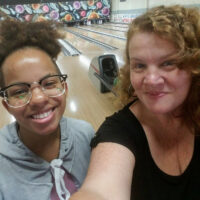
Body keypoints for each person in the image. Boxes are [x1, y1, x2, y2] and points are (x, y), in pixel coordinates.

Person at [70, 5, 200, 200]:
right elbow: (99, 191)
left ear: (194, 65)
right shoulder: (118, 132)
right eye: (139, 65)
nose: (151, 79)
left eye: (168, 63)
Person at [0, 19, 94, 200]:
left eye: (49, 83)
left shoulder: (86, 134)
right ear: (7, 105)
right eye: (20, 91)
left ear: (64, 88)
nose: (38, 99)